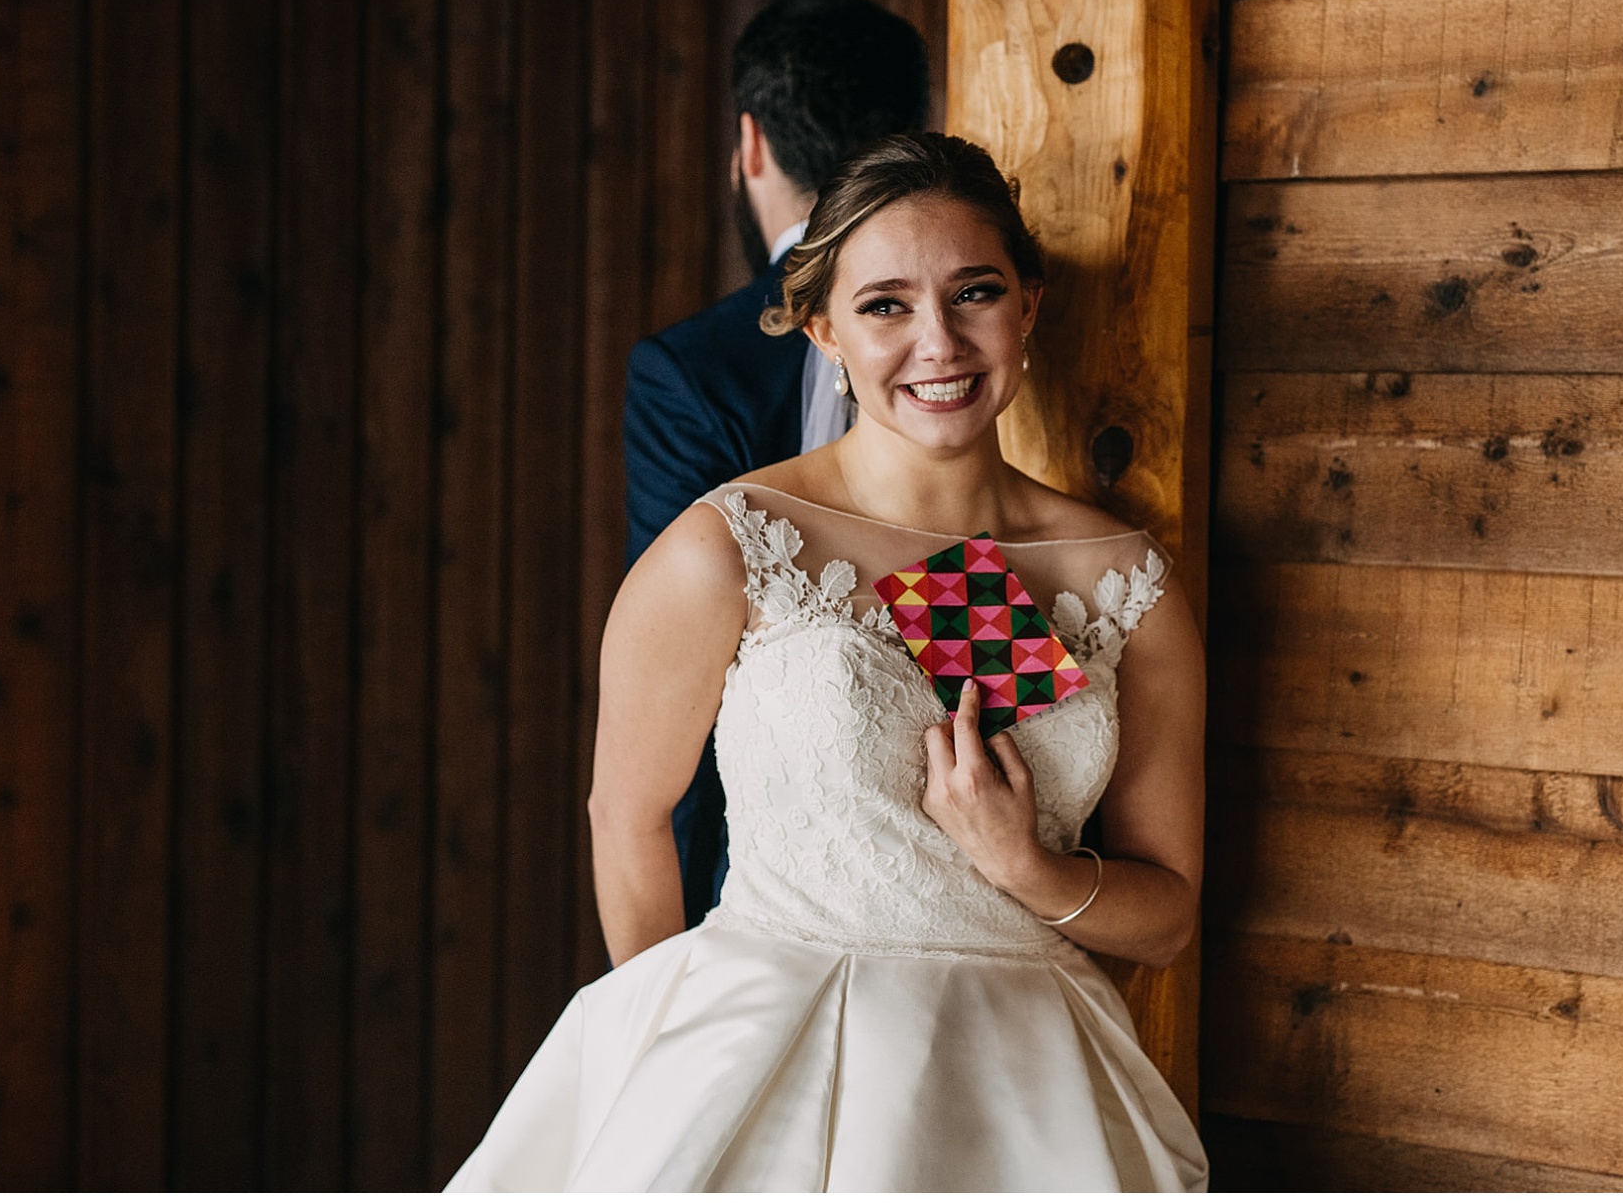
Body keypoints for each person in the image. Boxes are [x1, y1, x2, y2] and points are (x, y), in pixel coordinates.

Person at [448, 133, 1208, 1191]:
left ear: (1026, 306)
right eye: (885, 305)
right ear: (822, 328)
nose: (936, 342)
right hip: (766, 1053)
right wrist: (666, 1062)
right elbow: (625, 816)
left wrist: (1028, 866)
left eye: (973, 292)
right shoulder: (731, 544)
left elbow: (1167, 915)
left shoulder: (1122, 578)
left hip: (1028, 1090)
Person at [623, 0, 932, 927]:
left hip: (935, 910)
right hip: (784, 911)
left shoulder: (689, 369)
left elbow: (671, 699)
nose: (935, 343)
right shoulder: (957, 348)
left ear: (750, 144)